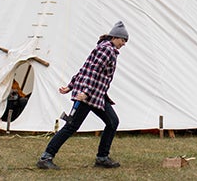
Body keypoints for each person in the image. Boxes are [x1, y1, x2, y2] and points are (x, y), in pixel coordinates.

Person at [36, 21, 129, 170]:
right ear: (115, 37)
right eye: (123, 40)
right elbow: (93, 72)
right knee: (71, 126)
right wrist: (85, 92)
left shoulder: (103, 48)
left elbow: (85, 69)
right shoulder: (107, 50)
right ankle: (46, 157)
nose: (124, 44)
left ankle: (102, 158)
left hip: (96, 95)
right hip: (89, 95)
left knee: (112, 122)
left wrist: (70, 86)